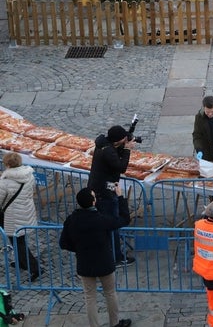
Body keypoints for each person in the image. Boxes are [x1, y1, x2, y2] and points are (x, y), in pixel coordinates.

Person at [59, 187, 132, 327]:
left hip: (85, 263)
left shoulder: (71, 220)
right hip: (103, 261)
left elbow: (63, 243)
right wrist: (121, 197)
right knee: (110, 293)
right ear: (93, 203)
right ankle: (115, 323)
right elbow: (124, 219)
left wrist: (79, 249)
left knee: (90, 297)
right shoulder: (100, 219)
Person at [87, 124, 135, 266]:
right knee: (112, 224)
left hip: (99, 190)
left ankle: (107, 253)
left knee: (105, 225)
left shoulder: (104, 145)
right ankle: (116, 257)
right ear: (118, 141)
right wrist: (126, 150)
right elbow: (121, 167)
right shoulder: (107, 151)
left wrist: (123, 147)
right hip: (105, 193)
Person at [0, 152, 41, 281]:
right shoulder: (29, 175)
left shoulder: (5, 182)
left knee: (18, 242)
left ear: (7, 165)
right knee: (18, 240)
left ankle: (35, 268)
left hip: (12, 215)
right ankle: (21, 262)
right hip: (25, 211)